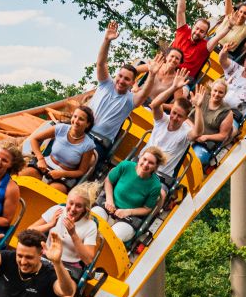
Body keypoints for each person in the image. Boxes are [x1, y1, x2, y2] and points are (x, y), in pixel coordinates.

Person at [78, 21, 141, 153]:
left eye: (127, 79)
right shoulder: (106, 83)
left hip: (99, 141)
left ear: (132, 82)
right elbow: (101, 64)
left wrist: (152, 75)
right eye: (120, 76)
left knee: (84, 152)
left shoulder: (130, 99)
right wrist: (107, 40)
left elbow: (144, 94)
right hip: (81, 128)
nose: (121, 80)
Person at [96, 147, 165, 244]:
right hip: (108, 205)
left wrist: (128, 212)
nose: (145, 164)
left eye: (151, 163)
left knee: (111, 238)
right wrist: (109, 200)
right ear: (140, 157)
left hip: (128, 219)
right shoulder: (126, 166)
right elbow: (109, 181)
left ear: (156, 167)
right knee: (93, 222)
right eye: (144, 159)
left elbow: (147, 209)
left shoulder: (155, 185)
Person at [29, 181, 100, 275]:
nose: (73, 209)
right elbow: (28, 232)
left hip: (69, 266)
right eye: (71, 203)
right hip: (46, 257)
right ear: (66, 201)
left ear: (85, 209)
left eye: (78, 206)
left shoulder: (90, 225)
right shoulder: (57, 210)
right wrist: (50, 224)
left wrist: (73, 234)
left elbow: (88, 260)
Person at [25, 107, 101, 188]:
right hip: (45, 165)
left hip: (65, 175)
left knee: (53, 191)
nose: (76, 121)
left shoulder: (89, 145)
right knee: (26, 175)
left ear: (87, 124)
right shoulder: (60, 128)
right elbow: (34, 139)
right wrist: (40, 159)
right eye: (75, 116)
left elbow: (81, 171)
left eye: (81, 119)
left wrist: (62, 173)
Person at [169, 0, 214, 77]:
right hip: (168, 67)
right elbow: (180, 11)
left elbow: (219, 36)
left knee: (183, 92)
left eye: (202, 31)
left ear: (205, 35)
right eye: (197, 29)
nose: (197, 32)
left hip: (183, 78)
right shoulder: (183, 31)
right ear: (193, 27)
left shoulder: (205, 46)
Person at [142, 96, 195, 175]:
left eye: (180, 116)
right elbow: (154, 105)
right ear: (171, 109)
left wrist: (198, 107)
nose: (175, 118)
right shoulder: (162, 119)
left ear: (185, 118)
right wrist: (173, 87)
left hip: (160, 175)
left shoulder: (186, 131)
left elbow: (197, 133)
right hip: (141, 163)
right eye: (174, 113)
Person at [191, 78, 238, 166]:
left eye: (220, 92)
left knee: (196, 158)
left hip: (205, 141)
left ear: (224, 94)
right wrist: (193, 129)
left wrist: (206, 137)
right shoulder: (202, 98)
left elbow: (223, 135)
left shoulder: (227, 112)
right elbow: (186, 117)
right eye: (215, 91)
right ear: (211, 90)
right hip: (191, 132)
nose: (216, 94)